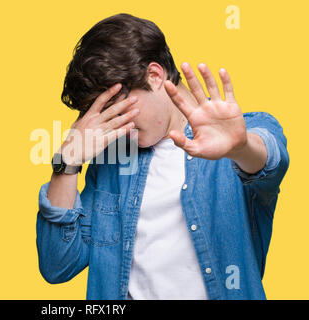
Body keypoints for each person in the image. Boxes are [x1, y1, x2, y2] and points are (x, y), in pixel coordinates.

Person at [35, 13, 289, 300]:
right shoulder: (111, 162)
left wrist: (239, 146)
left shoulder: (240, 139)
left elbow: (268, 161)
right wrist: (66, 163)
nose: (116, 127)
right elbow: (57, 266)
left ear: (154, 76)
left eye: (118, 111)